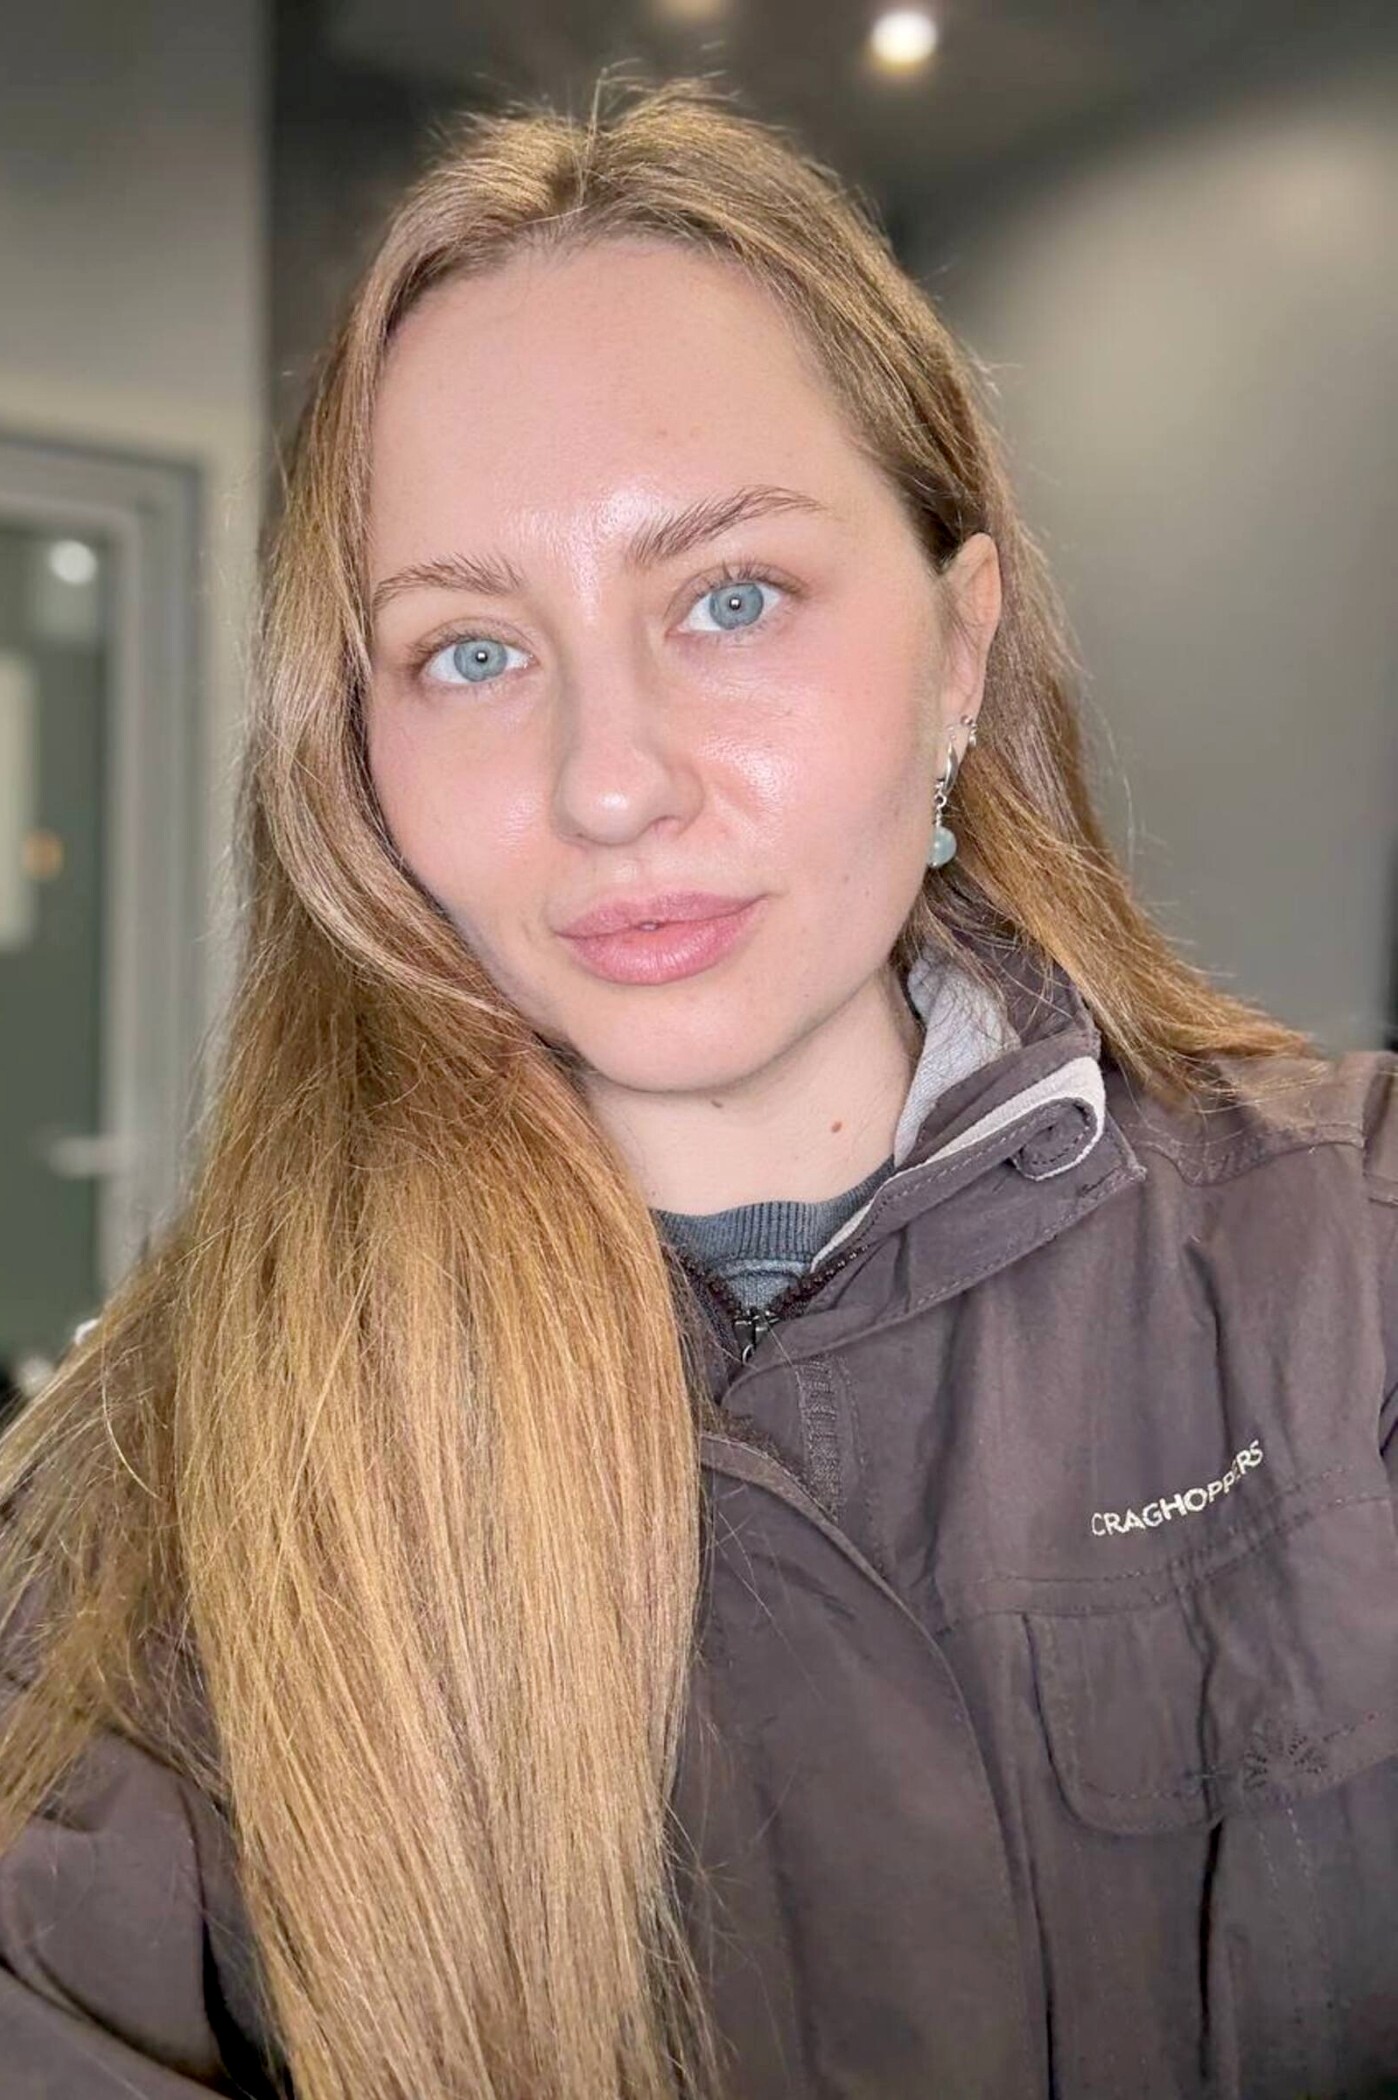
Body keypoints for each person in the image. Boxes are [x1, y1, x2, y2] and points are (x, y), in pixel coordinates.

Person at [1, 73, 1394, 2100]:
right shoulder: (156, 1486)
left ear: (958, 651)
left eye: (731, 599)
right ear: (357, 753)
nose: (610, 784)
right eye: (470, 652)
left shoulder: (1348, 1271)